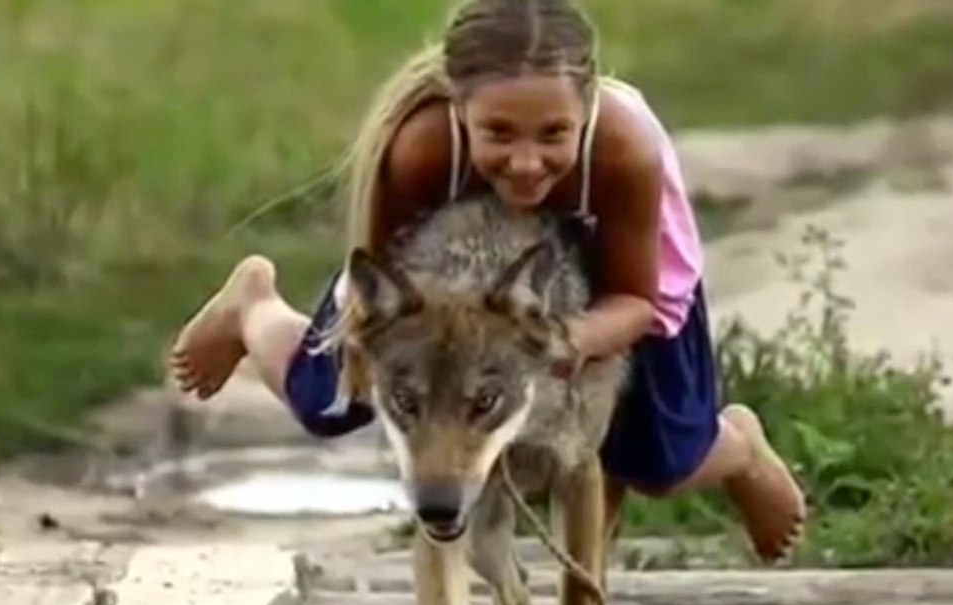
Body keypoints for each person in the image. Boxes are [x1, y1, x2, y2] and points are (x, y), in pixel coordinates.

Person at [168, 0, 805, 561]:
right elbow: (381, 284)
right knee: (326, 404)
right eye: (497, 133)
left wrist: (562, 340)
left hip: (620, 275)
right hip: (448, 277)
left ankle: (742, 447)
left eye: (554, 134)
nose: (527, 162)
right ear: (458, 108)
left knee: (659, 463)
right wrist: (382, 362)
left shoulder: (623, 148)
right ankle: (252, 303)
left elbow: (636, 300)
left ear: (586, 108)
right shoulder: (419, 147)